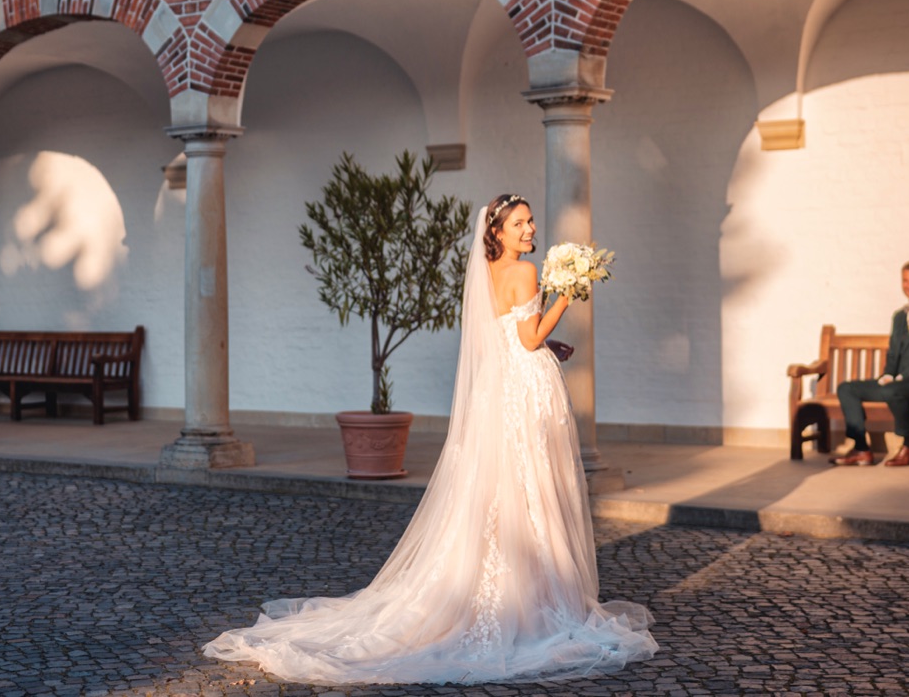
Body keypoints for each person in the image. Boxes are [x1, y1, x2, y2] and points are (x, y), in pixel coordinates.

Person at [202, 193, 658, 684]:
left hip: (497, 390)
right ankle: (537, 596)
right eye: (520, 224)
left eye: (530, 222)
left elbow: (508, 334)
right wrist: (569, 292)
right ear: (498, 231)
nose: (529, 231)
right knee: (531, 487)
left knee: (501, 491)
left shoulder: (485, 272)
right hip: (525, 392)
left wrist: (547, 335)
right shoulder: (526, 272)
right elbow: (526, 340)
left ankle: (515, 587)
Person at [830, 260, 909, 467]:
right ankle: (861, 448)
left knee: (892, 391)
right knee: (847, 389)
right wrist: (888, 374)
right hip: (897, 383)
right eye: (905, 280)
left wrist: (903, 377)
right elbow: (894, 353)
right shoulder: (899, 316)